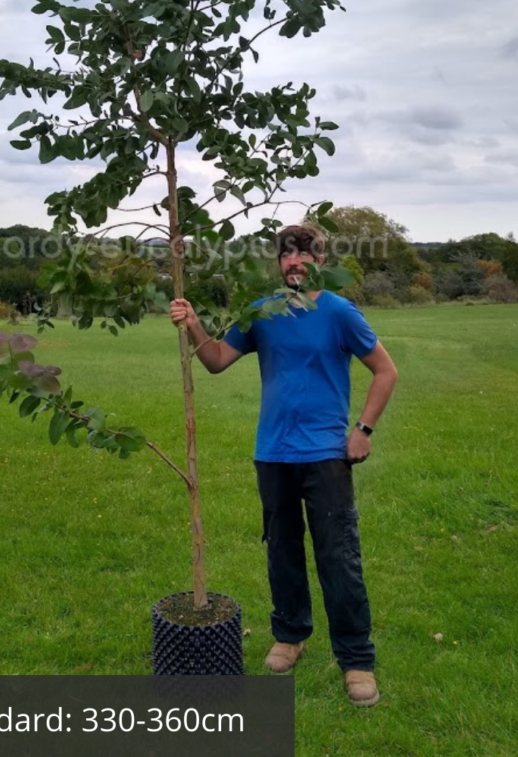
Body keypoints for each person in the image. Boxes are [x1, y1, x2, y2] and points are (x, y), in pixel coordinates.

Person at [170, 224, 397, 707]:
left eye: (305, 255)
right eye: (286, 256)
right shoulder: (262, 311)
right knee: (282, 551)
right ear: (278, 263)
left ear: (320, 259)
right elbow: (215, 359)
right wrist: (192, 321)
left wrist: (363, 430)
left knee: (339, 558)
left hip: (325, 456)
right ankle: (290, 635)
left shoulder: (337, 311)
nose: (294, 263)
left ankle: (356, 659)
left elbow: (385, 370)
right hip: (272, 452)